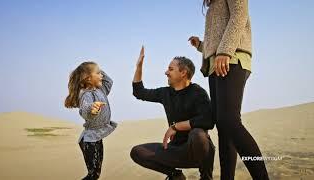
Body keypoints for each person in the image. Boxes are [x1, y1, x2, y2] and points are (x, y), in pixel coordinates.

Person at [188, 0, 269, 179]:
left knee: (229, 120)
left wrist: (225, 51)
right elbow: (219, 36)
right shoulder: (212, 4)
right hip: (216, 64)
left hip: (231, 59)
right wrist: (201, 45)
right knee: (223, 126)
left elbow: (239, 15)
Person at [130, 46, 215, 180]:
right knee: (137, 152)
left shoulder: (198, 92)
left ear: (183, 72)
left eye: (170, 69)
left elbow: (208, 121)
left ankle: (206, 177)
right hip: (176, 150)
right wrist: (139, 66)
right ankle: (175, 175)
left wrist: (176, 127)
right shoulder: (165, 93)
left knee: (198, 134)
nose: (166, 72)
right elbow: (139, 92)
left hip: (197, 149)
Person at [64, 61, 117, 180]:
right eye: (98, 73)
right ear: (88, 78)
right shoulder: (85, 94)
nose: (102, 76)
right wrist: (91, 109)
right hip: (89, 140)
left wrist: (97, 69)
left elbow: (109, 81)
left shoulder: (101, 90)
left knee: (96, 174)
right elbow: (84, 109)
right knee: (93, 175)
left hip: (97, 137)